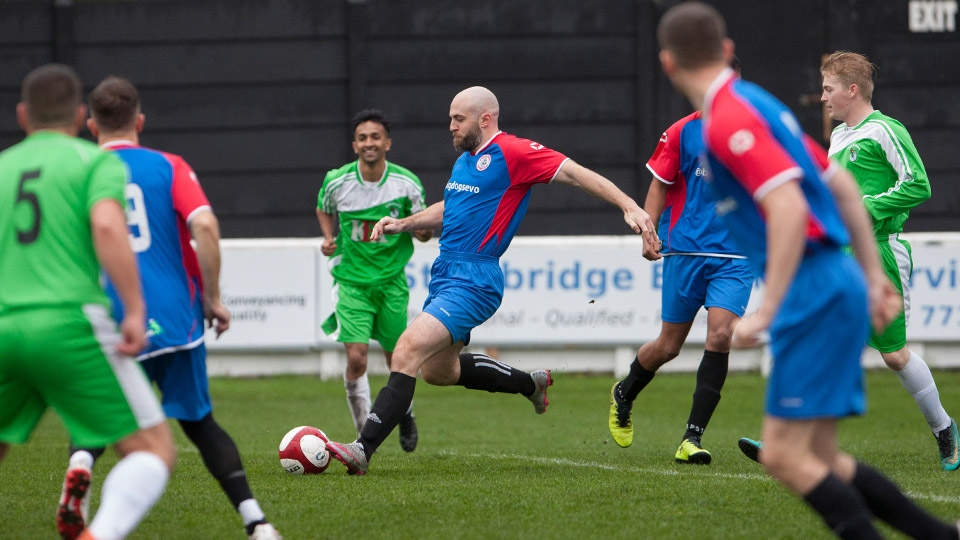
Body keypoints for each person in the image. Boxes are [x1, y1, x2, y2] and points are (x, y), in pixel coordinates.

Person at [657, 3, 959, 538]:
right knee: (819, 457)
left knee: (790, 457)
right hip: (836, 279)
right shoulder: (759, 103)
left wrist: (768, 308)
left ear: (668, 65)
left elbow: (792, 208)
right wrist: (870, 273)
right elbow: (838, 188)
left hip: (814, 286)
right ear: (727, 53)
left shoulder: (726, 120)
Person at [324, 85, 658, 475]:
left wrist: (630, 206)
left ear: (485, 119)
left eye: (457, 118)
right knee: (438, 371)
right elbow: (451, 207)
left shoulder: (514, 152)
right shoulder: (466, 160)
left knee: (405, 350)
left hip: (475, 277)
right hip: (447, 273)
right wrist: (403, 224)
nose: (450, 126)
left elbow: (576, 174)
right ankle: (529, 384)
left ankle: (362, 450)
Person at [60, 76, 282, 540]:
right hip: (176, 319)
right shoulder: (169, 166)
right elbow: (205, 227)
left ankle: (80, 464)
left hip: (110, 321)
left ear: (89, 123)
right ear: (139, 120)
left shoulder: (76, 173)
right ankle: (256, 523)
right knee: (199, 423)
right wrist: (213, 297)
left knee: (105, 412)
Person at [739, 51, 959, 472]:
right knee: (815, 337)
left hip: (881, 251)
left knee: (894, 355)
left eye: (828, 89)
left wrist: (867, 208)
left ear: (852, 89)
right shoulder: (839, 137)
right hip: (840, 254)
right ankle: (785, 440)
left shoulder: (885, 130)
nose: (823, 98)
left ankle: (945, 428)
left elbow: (919, 184)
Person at [0, 64, 175, 540]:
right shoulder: (95, 163)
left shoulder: (2, 168)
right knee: (153, 450)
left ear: (22, 115)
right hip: (69, 325)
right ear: (80, 117)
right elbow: (106, 226)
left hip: (5, 327)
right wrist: (135, 311)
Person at [608, 56, 754, 464]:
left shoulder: (754, 131)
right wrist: (648, 231)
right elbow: (659, 186)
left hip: (736, 255)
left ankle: (692, 438)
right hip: (686, 250)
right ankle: (625, 392)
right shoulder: (682, 132)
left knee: (721, 335)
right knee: (669, 346)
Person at [317, 109, 431, 451]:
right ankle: (364, 438)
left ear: (387, 143)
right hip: (351, 282)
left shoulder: (406, 183)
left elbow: (422, 226)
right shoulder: (337, 181)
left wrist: (422, 231)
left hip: (391, 283)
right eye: (363, 137)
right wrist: (328, 237)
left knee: (398, 358)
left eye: (376, 137)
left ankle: (405, 412)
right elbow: (324, 207)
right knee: (356, 358)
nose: (370, 143)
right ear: (355, 145)